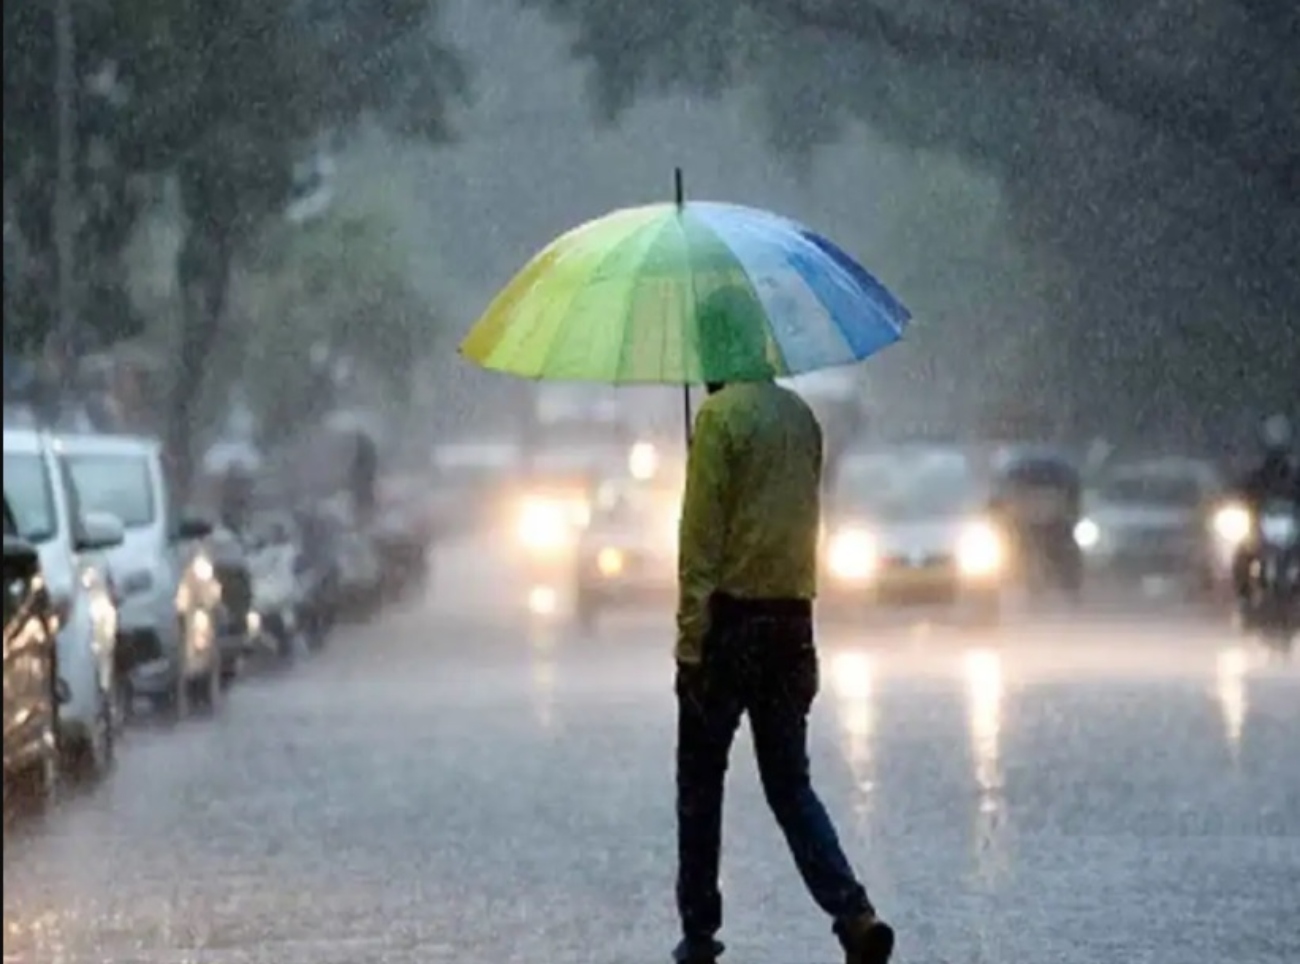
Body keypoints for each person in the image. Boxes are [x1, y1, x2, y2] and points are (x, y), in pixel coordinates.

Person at [673, 287, 893, 964]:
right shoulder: (801, 418)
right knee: (790, 784)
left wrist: (690, 640)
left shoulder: (718, 420)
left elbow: (701, 542)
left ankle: (701, 934)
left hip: (730, 626)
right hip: (794, 625)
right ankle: (853, 913)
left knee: (701, 784)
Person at [1231, 414, 1300, 608]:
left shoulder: (1294, 474)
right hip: (1262, 527)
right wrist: (1241, 499)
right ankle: (1244, 600)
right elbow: (1244, 490)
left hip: (1293, 530)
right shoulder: (1259, 474)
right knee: (1242, 555)